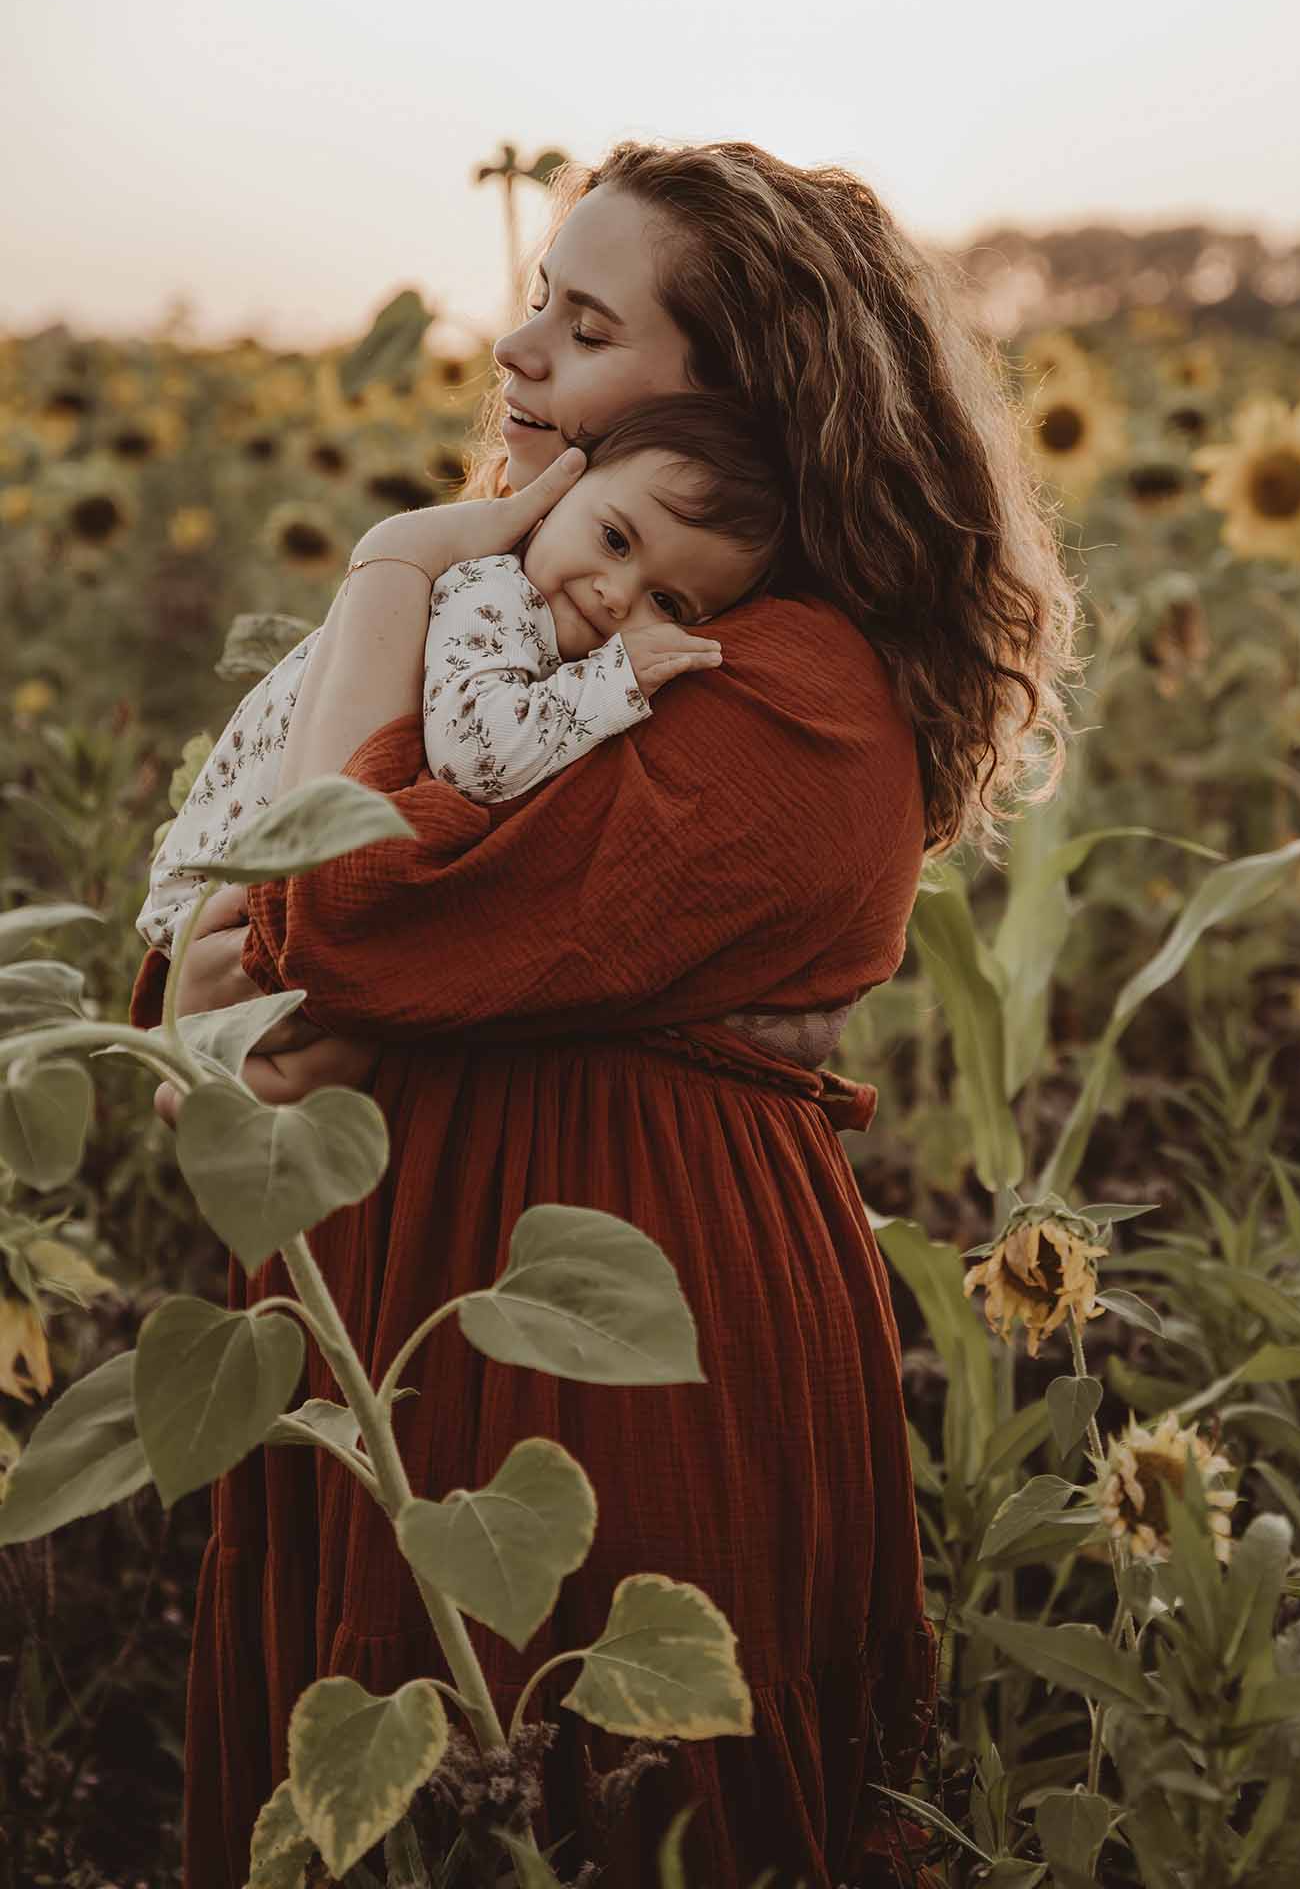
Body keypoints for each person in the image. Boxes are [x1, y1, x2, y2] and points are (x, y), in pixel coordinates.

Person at [130, 139, 1085, 1888]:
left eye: (585, 327)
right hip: (393, 1329)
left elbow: (339, 901)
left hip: (618, 1357)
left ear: (739, 411)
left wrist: (392, 564)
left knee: (613, 1797)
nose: (515, 353)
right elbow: (236, 941)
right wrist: (246, 960)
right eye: (534, 304)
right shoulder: (545, 618)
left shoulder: (797, 695)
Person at [137, 392, 780, 959]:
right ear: (557, 494)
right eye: (615, 540)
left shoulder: (541, 625)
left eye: (665, 604)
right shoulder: (491, 594)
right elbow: (473, 755)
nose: (617, 595)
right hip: (217, 898)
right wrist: (611, 682)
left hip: (250, 896)